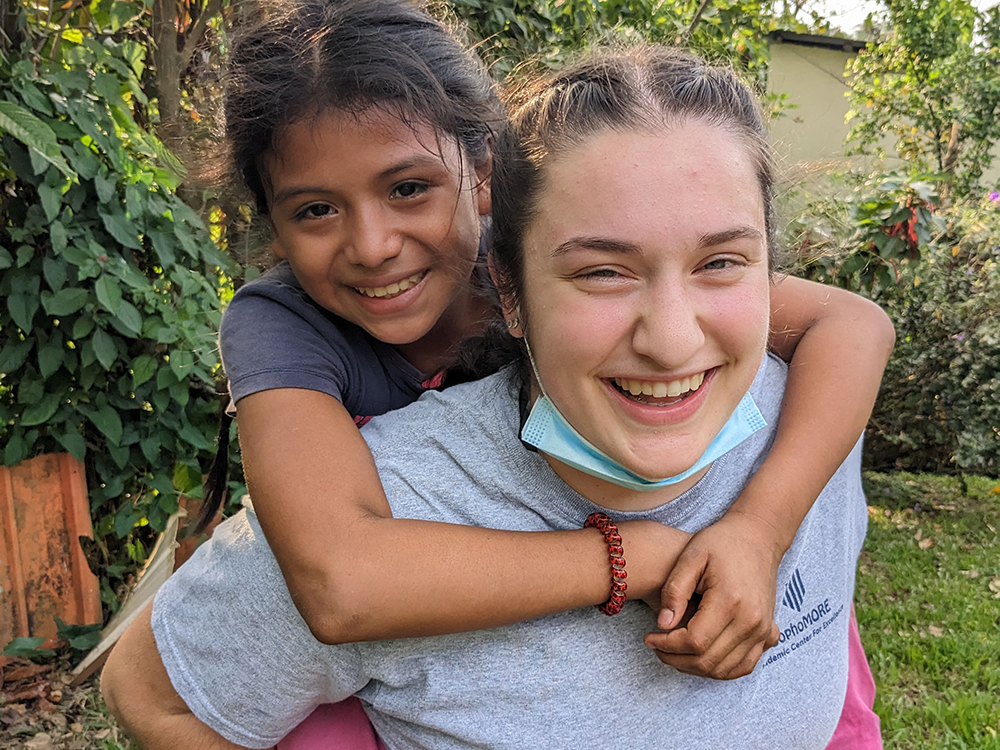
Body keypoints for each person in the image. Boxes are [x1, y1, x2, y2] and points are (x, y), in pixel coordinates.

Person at [103, 44, 883, 749]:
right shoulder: (302, 360)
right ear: (511, 291)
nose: (674, 340)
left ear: (479, 188)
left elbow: (854, 323)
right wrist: (626, 554)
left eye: (721, 263)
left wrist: (762, 527)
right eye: (602, 272)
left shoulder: (807, 410)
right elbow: (328, 585)